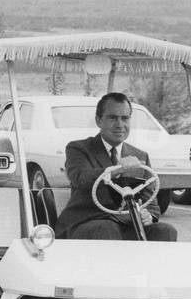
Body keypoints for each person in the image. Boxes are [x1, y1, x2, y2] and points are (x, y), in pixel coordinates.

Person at [54, 92, 178, 241]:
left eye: (125, 118)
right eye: (112, 118)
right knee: (106, 228)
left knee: (166, 231)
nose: (120, 125)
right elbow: (80, 178)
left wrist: (148, 216)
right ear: (99, 120)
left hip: (126, 225)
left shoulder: (140, 156)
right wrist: (117, 170)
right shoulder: (79, 149)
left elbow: (151, 205)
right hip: (85, 223)